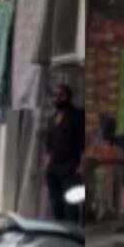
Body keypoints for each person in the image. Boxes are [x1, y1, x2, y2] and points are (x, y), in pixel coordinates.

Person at [44, 84, 84, 222]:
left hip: (70, 167)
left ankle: (73, 234)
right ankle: (61, 232)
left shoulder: (77, 116)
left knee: (70, 204)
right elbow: (49, 143)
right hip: (54, 167)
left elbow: (83, 141)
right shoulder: (52, 118)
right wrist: (47, 162)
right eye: (55, 95)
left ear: (68, 96)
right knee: (56, 203)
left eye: (61, 95)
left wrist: (82, 164)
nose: (57, 98)